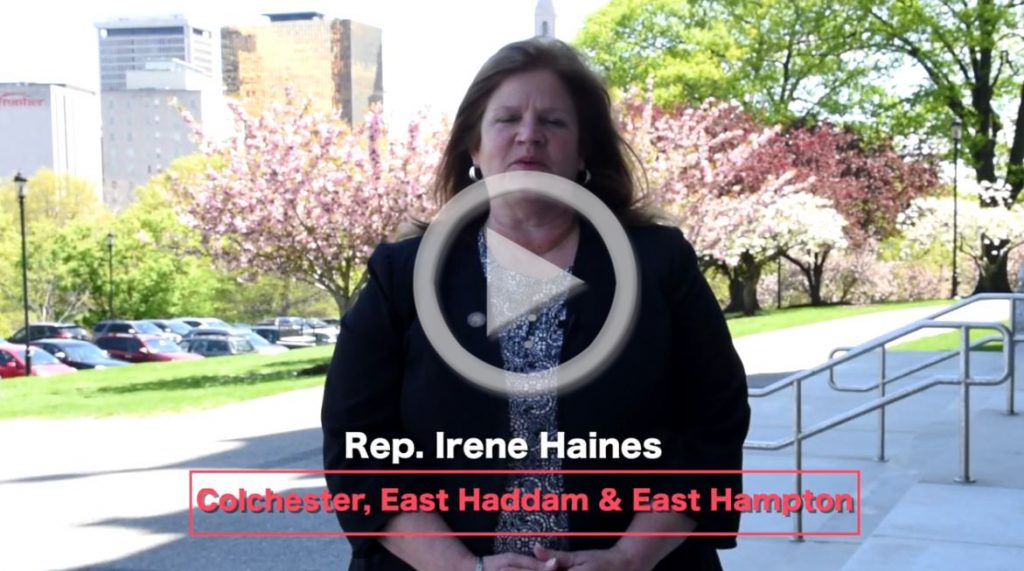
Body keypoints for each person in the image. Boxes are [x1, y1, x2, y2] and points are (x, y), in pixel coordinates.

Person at [322, 37, 750, 571]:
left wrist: (627, 558)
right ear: (474, 148)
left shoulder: (659, 265)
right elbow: (359, 446)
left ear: (583, 151)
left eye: (553, 121)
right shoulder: (403, 276)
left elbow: (714, 424)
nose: (529, 135)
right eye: (507, 120)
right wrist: (463, 568)